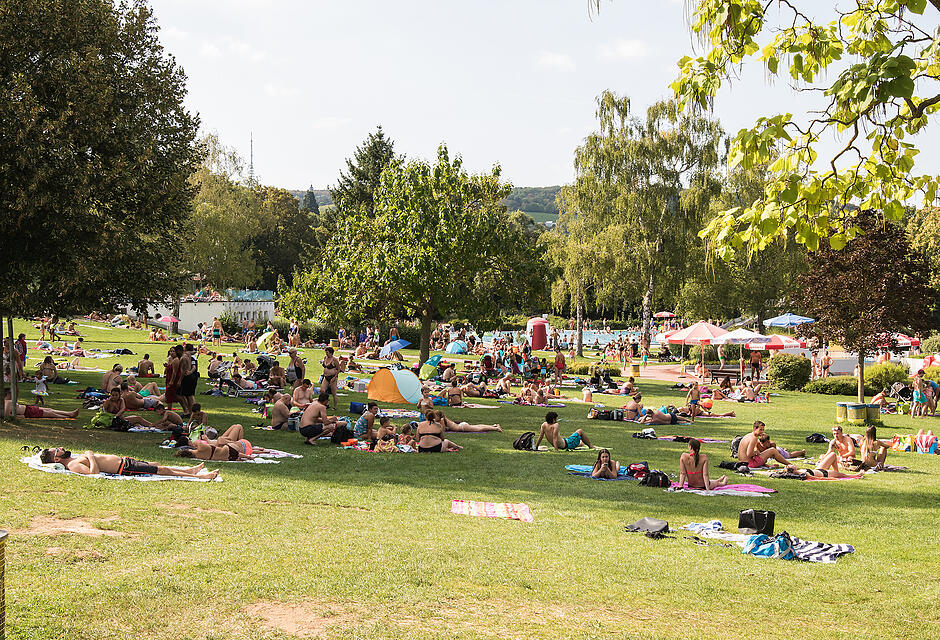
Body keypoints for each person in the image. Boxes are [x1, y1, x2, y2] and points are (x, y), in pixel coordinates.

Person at [40, 446, 217, 479]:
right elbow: (93, 473)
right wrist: (91, 456)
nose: (61, 448)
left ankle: (191, 470)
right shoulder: (72, 465)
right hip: (124, 468)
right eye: (57, 450)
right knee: (160, 470)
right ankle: (199, 477)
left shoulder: (73, 459)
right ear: (57, 459)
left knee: (156, 464)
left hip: (125, 461)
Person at [175, 424, 273, 461]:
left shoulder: (199, 452)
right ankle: (244, 445)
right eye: (189, 440)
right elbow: (213, 447)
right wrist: (207, 440)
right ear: (188, 447)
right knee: (238, 427)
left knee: (234, 428)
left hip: (224, 447)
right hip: (225, 445)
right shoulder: (199, 446)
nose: (191, 440)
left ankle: (247, 448)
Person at [4, 389, 79, 419]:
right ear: (7, 394)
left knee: (49, 409)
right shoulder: (7, 402)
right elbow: (7, 415)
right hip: (28, 412)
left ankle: (69, 413)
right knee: (50, 413)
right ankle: (66, 417)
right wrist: (21, 416)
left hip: (28, 408)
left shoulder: (9, 401)